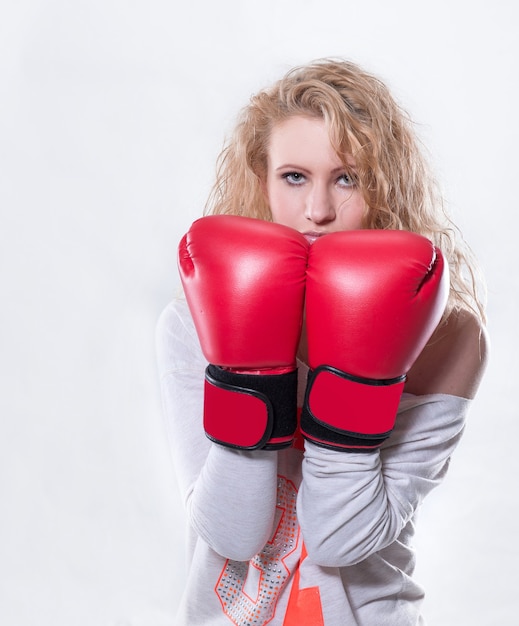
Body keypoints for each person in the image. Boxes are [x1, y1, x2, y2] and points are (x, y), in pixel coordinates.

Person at [156, 58, 489, 625]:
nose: (318, 211)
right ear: (262, 179)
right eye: (294, 177)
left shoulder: (449, 339)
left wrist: (359, 370)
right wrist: (249, 370)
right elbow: (232, 534)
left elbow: (341, 539)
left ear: (384, 186)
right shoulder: (192, 323)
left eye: (346, 177)